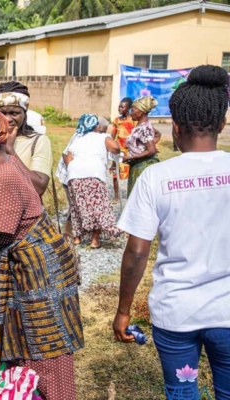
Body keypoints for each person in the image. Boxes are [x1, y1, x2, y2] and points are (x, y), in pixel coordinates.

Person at [113, 65, 230, 399]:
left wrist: (123, 312)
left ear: (176, 128)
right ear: (221, 124)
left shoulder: (156, 178)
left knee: (181, 392)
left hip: (177, 315)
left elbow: (137, 252)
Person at [0, 106, 83, 400]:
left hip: (37, 270)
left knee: (43, 341)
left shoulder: (2, 177)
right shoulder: (9, 164)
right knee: (29, 337)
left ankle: (50, 393)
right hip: (42, 262)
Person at [64, 115, 121, 248]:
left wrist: (76, 169)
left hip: (74, 174)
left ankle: (77, 238)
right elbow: (115, 148)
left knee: (77, 206)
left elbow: (68, 158)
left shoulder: (77, 139)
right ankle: (95, 240)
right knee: (99, 207)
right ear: (97, 126)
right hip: (94, 173)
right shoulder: (102, 137)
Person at [0, 81, 52, 196]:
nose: (8, 119)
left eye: (14, 113)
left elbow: (39, 188)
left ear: (24, 114)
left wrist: (10, 152)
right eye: (2, 113)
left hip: (26, 212)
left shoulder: (38, 141)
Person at [123, 96, 159, 193]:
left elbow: (151, 150)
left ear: (141, 112)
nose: (130, 114)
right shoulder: (142, 126)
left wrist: (131, 157)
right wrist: (144, 148)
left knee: (139, 198)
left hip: (142, 167)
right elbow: (157, 134)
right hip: (138, 165)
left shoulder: (144, 127)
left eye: (133, 110)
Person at [110, 97, 134, 201]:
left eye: (122, 107)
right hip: (119, 150)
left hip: (130, 151)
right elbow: (113, 135)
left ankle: (131, 194)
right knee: (115, 173)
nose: (119, 109)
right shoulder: (117, 120)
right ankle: (116, 195)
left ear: (128, 108)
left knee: (131, 172)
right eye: (119, 107)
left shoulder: (133, 120)